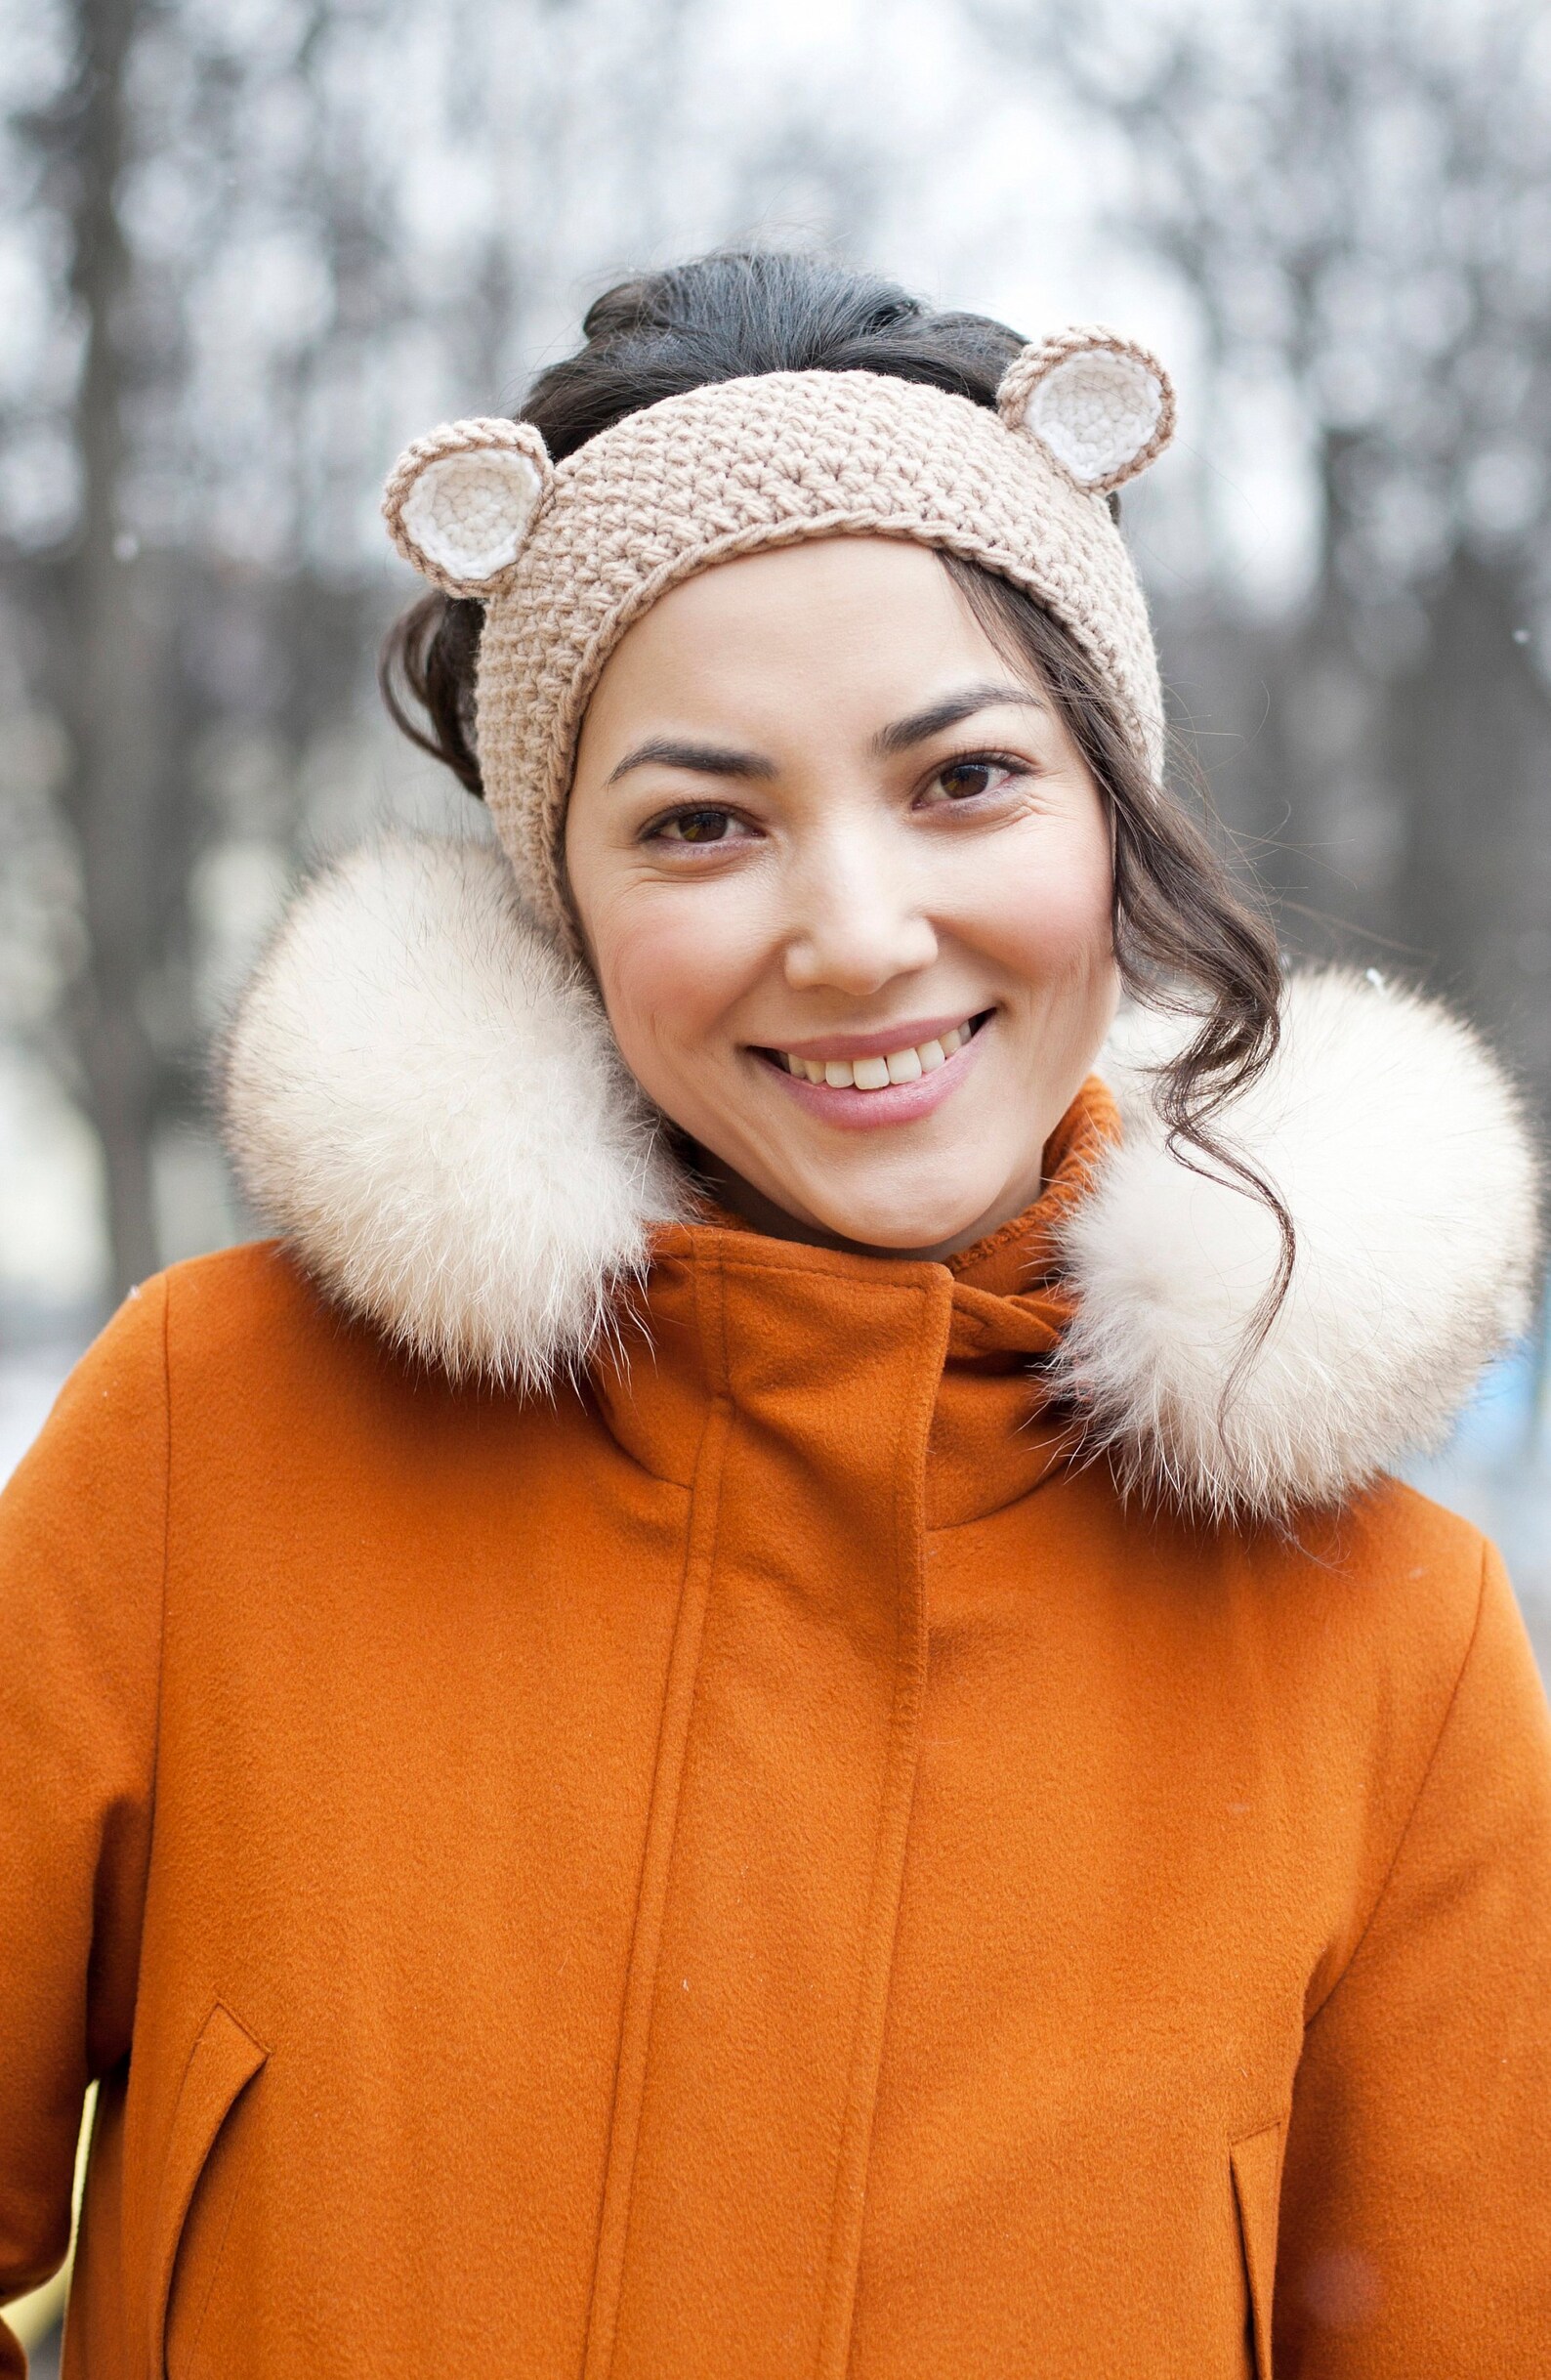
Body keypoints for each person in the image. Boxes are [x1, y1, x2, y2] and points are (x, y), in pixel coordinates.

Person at [3, 248, 1548, 2380]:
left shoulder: (1386, 1648)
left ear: (1114, 810)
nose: (851, 931)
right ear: (565, 894)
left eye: (963, 779)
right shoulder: (212, 1440)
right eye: (701, 822)